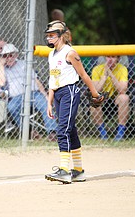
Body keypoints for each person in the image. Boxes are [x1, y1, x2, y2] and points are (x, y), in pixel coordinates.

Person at [44, 20, 104, 184]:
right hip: (57, 94)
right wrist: (49, 102)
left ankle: (64, 170)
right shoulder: (51, 54)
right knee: (70, 130)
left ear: (62, 36)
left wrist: (95, 93)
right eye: (48, 35)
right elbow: (52, 80)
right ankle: (77, 170)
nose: (49, 38)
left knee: (63, 129)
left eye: (52, 35)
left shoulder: (70, 52)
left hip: (70, 91)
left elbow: (84, 75)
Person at [0, 43, 58, 140]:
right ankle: (29, 132)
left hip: (33, 93)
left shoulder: (24, 64)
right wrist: (1, 64)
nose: (8, 58)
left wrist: (45, 94)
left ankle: (53, 132)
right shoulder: (2, 69)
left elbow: (36, 81)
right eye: (5, 55)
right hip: (17, 97)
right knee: (11, 108)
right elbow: (2, 83)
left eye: (11, 55)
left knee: (45, 104)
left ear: (16, 55)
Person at [91, 56, 130, 140]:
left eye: (113, 57)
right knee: (94, 99)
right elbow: (96, 91)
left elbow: (122, 90)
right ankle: (102, 132)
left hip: (115, 99)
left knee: (124, 98)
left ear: (118, 59)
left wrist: (111, 75)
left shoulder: (122, 69)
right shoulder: (97, 69)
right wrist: (104, 76)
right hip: (102, 98)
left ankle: (120, 132)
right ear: (105, 58)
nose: (110, 59)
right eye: (108, 57)